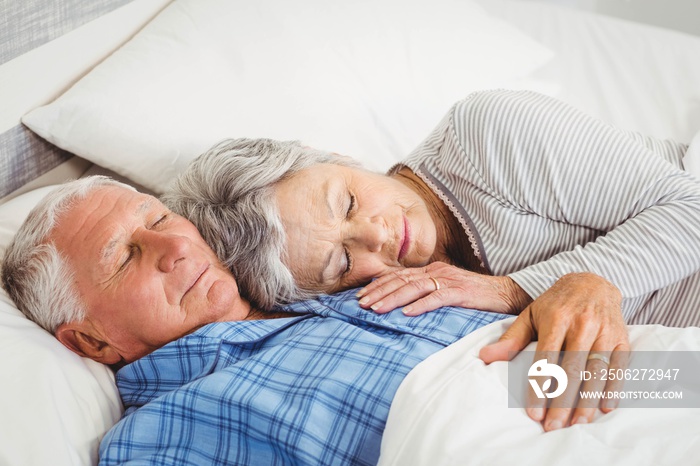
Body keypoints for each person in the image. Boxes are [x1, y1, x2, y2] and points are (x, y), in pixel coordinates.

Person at [163, 90, 700, 430]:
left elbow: (692, 208)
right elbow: (664, 382)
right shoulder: (398, 309)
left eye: (347, 201)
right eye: (342, 263)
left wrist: (519, 289)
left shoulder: (486, 134)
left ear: (342, 159)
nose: (375, 235)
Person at [0, 176, 513, 465]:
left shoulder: (332, 285)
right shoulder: (161, 440)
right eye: (126, 256)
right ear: (92, 341)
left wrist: (566, 297)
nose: (175, 246)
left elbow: (553, 384)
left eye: (158, 219)